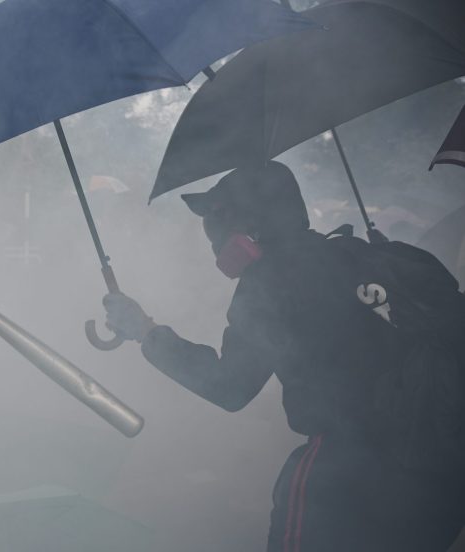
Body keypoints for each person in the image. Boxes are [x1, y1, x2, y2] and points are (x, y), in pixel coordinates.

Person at [103, 161, 465, 552]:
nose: (211, 237)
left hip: (355, 473)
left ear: (247, 226)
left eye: (215, 220)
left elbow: (230, 387)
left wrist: (145, 331)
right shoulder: (360, 253)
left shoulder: (271, 280)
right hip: (443, 471)